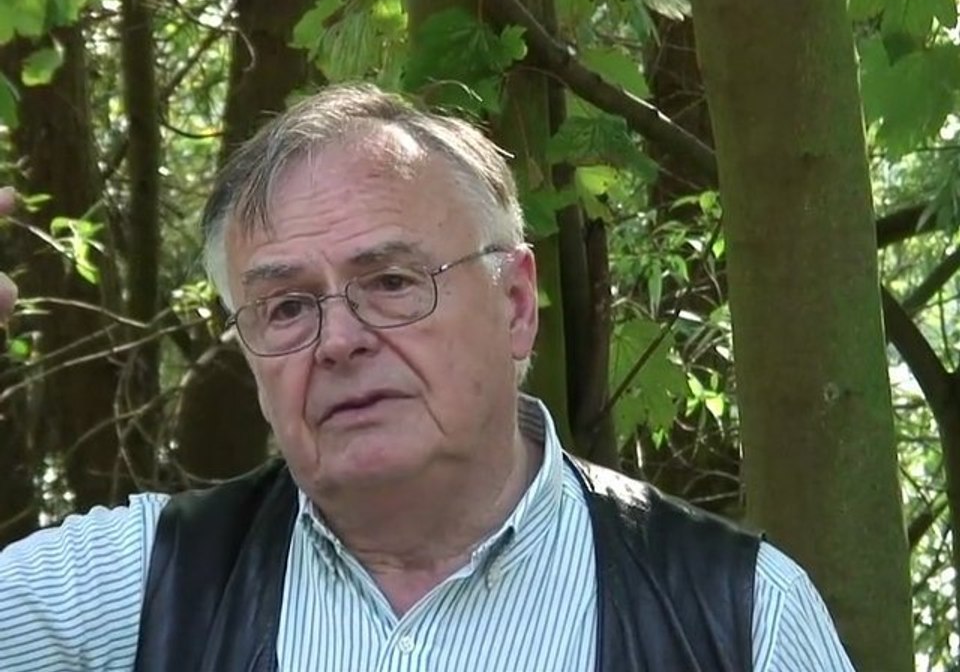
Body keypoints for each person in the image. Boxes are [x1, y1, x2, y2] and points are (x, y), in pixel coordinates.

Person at [0, 84, 855, 671]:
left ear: (516, 304)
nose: (338, 341)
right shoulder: (142, 588)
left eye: (392, 283)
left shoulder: (732, 615)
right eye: (288, 308)